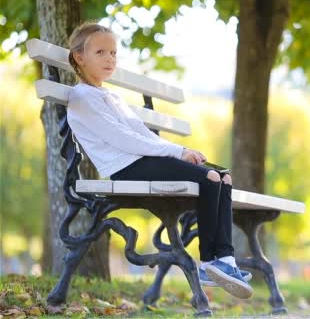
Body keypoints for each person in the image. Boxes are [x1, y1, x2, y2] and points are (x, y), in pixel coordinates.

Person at [65, 22, 253, 299]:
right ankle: (209, 263)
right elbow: (122, 140)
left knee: (222, 175)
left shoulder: (111, 96)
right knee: (210, 178)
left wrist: (181, 149)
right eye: (101, 52)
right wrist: (177, 153)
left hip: (143, 161)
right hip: (125, 168)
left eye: (114, 53)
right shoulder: (82, 97)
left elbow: (142, 134)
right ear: (80, 57)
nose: (110, 59)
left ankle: (225, 260)